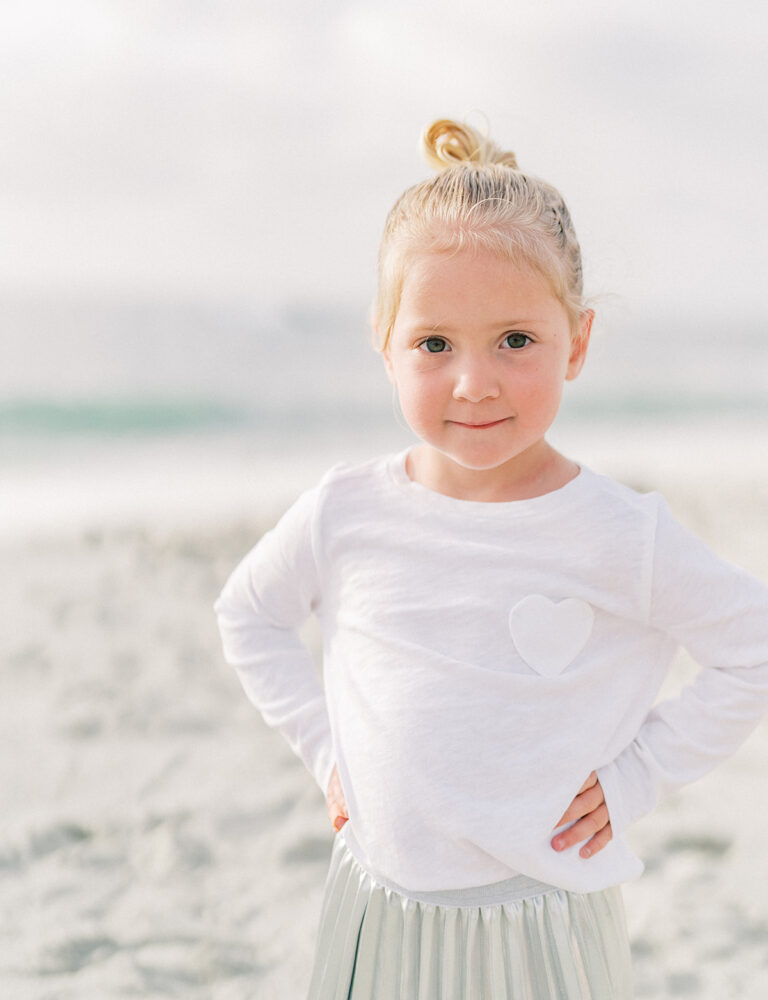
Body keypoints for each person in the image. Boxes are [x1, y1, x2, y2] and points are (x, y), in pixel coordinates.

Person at [214, 118, 768, 999]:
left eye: (516, 340)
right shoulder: (346, 512)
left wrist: (637, 778)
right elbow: (248, 616)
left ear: (576, 343)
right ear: (385, 345)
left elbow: (753, 645)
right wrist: (328, 752)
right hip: (379, 904)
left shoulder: (621, 533)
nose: (475, 382)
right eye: (434, 344)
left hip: (541, 920)